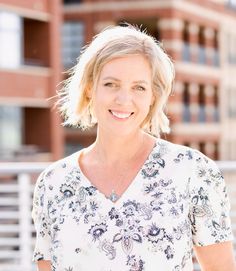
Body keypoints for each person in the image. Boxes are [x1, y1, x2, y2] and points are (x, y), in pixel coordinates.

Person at [32, 24, 236, 271]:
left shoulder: (194, 171)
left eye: (139, 87)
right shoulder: (53, 184)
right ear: (89, 89)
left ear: (152, 96)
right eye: (111, 84)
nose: (123, 99)